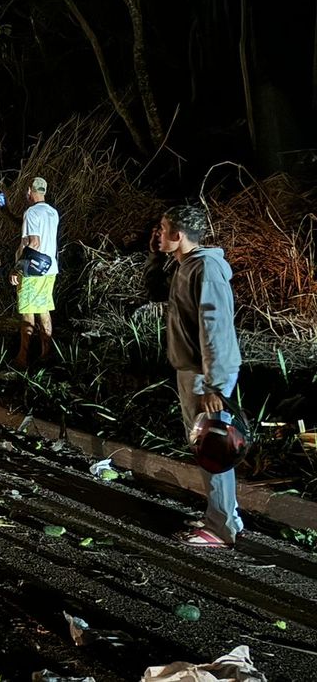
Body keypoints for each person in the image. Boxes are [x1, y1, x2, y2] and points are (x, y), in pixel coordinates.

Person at [155, 204, 243, 547]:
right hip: (194, 371)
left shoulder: (205, 269)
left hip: (205, 376)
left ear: (178, 235)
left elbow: (216, 328)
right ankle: (224, 516)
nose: (158, 234)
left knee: (213, 447)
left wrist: (214, 385)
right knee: (209, 445)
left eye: (162, 229)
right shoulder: (188, 266)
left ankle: (221, 529)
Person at [10, 176, 59, 369]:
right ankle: (46, 352)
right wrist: (7, 214)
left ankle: (23, 357)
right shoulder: (52, 213)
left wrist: (17, 268)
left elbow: (33, 242)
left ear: (30, 190)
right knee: (44, 309)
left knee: (27, 312)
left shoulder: (31, 213)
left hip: (33, 270)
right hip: (50, 269)